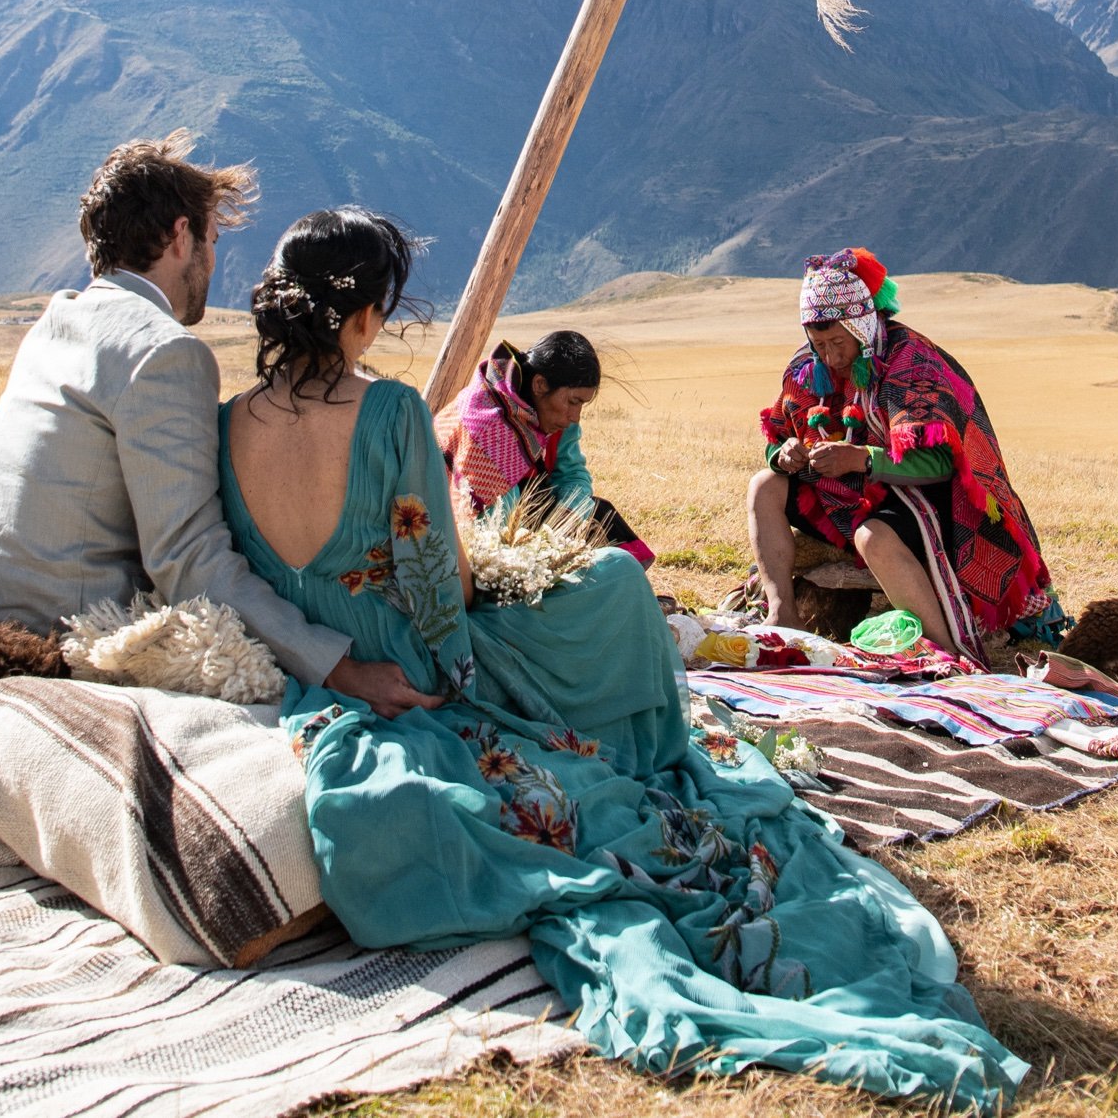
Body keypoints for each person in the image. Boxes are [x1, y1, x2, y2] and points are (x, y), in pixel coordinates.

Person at [216, 208, 1024, 1109]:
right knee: (611, 589)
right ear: (364, 313)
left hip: (319, 673)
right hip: (419, 660)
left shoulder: (227, 422)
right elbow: (436, 582)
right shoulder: (392, 411)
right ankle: (646, 727)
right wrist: (463, 677)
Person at [0, 133, 430, 716]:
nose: (214, 260)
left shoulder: (60, 317)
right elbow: (188, 559)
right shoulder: (162, 351)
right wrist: (339, 668)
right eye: (213, 239)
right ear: (180, 236)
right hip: (55, 630)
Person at [745, 246, 1062, 667]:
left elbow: (942, 463)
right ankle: (783, 613)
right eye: (819, 343)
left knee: (872, 536)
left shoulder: (910, 364)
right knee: (764, 485)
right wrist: (783, 455)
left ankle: (946, 651)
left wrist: (861, 460)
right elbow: (779, 435)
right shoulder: (808, 368)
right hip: (846, 493)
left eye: (838, 341)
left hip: (933, 499)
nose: (830, 356)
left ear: (861, 324)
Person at [435, 330, 654, 564]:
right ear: (540, 384)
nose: (575, 416)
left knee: (600, 515)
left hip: (526, 520)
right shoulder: (486, 422)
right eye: (573, 401)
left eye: (582, 404)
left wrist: (567, 514)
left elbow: (573, 474)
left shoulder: (553, 419)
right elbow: (476, 517)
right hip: (466, 534)